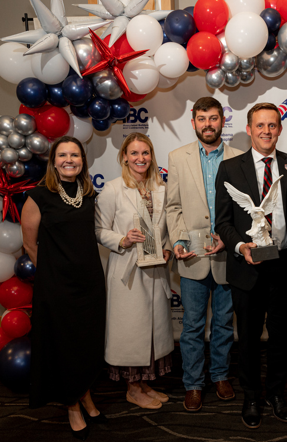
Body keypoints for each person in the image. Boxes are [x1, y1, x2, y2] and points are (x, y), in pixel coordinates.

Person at [214, 102, 287, 429]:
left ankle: (277, 393)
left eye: (272, 125)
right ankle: (251, 395)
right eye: (260, 125)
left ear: (280, 129)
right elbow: (223, 222)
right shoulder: (230, 168)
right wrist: (240, 246)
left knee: (282, 336)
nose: (266, 131)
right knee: (250, 338)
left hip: (283, 264)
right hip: (247, 266)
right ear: (250, 129)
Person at [21, 135, 107, 441]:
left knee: (86, 343)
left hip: (90, 283)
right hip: (56, 285)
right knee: (64, 345)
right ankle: (71, 405)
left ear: (83, 160)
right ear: (53, 161)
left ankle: (84, 394)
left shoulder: (89, 193)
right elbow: (31, 246)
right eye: (63, 155)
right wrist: (54, 273)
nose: (69, 159)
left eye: (75, 155)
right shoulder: (38, 196)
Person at [166, 97, 242, 412]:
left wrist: (231, 239)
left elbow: (242, 209)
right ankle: (193, 384)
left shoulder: (240, 157)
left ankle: (221, 376)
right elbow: (173, 206)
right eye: (201, 118)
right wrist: (179, 239)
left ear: (222, 122)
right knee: (193, 326)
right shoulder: (177, 157)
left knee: (224, 323)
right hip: (192, 257)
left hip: (228, 257)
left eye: (213, 118)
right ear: (194, 121)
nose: (207, 124)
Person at [95, 132, 174, 411]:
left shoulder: (162, 189)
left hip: (155, 269)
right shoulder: (113, 190)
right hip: (126, 271)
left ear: (151, 157)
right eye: (134, 153)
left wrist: (167, 248)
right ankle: (132, 388)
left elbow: (167, 228)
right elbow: (99, 230)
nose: (140, 158)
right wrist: (122, 239)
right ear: (124, 157)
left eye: (145, 153)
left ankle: (143, 383)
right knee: (131, 332)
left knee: (152, 331)